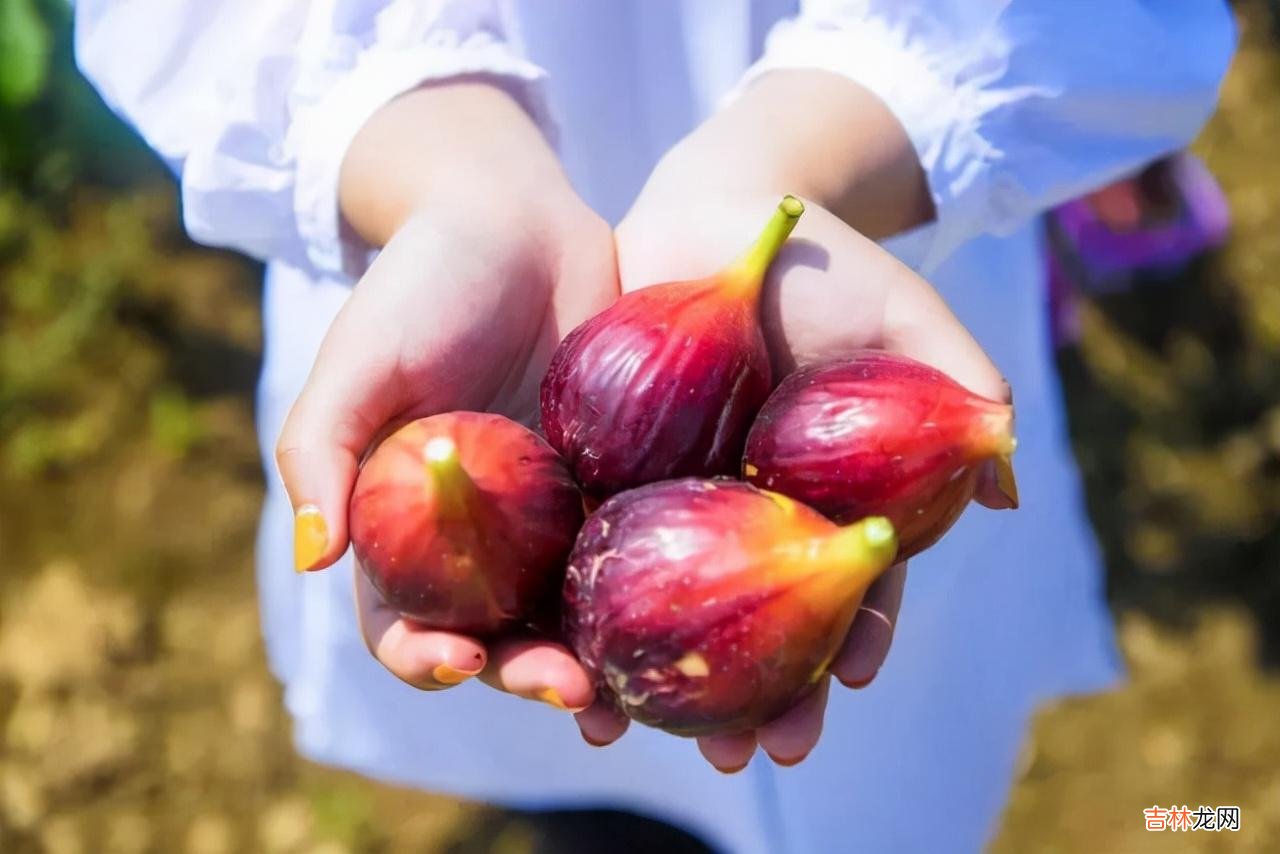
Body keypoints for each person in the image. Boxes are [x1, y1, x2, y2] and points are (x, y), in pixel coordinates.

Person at [76, 3, 1235, 851]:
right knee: (585, 785)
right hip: (461, 318)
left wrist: (807, 154)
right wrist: (441, 168)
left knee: (879, 774)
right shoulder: (470, 434)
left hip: (848, 214)